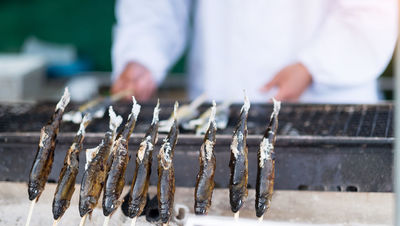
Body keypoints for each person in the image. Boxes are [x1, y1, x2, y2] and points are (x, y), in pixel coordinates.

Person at [112, 0, 397, 103]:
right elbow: (153, 6)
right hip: (221, 96)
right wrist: (142, 55)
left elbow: (373, 10)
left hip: (329, 103)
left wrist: (313, 67)